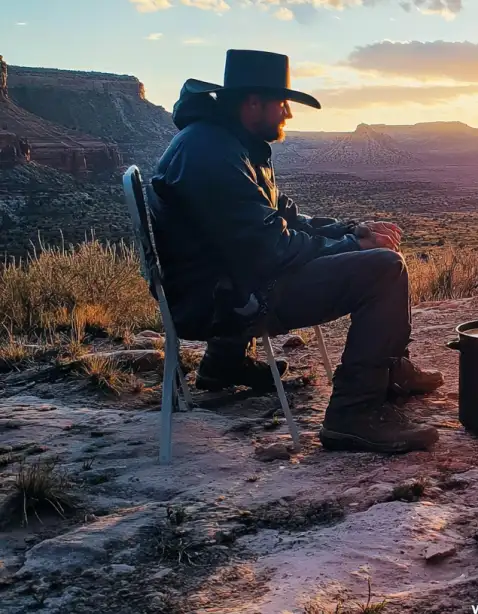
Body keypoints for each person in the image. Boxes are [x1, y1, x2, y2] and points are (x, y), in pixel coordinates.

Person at [147, 49, 442, 453]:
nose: (287, 114)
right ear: (253, 103)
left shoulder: (225, 142)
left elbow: (282, 221)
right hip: (227, 302)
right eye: (282, 103)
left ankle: (224, 364)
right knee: (386, 270)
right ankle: (354, 414)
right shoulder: (212, 154)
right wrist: (354, 246)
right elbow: (272, 249)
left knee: (370, 256)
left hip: (223, 287)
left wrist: (350, 231)